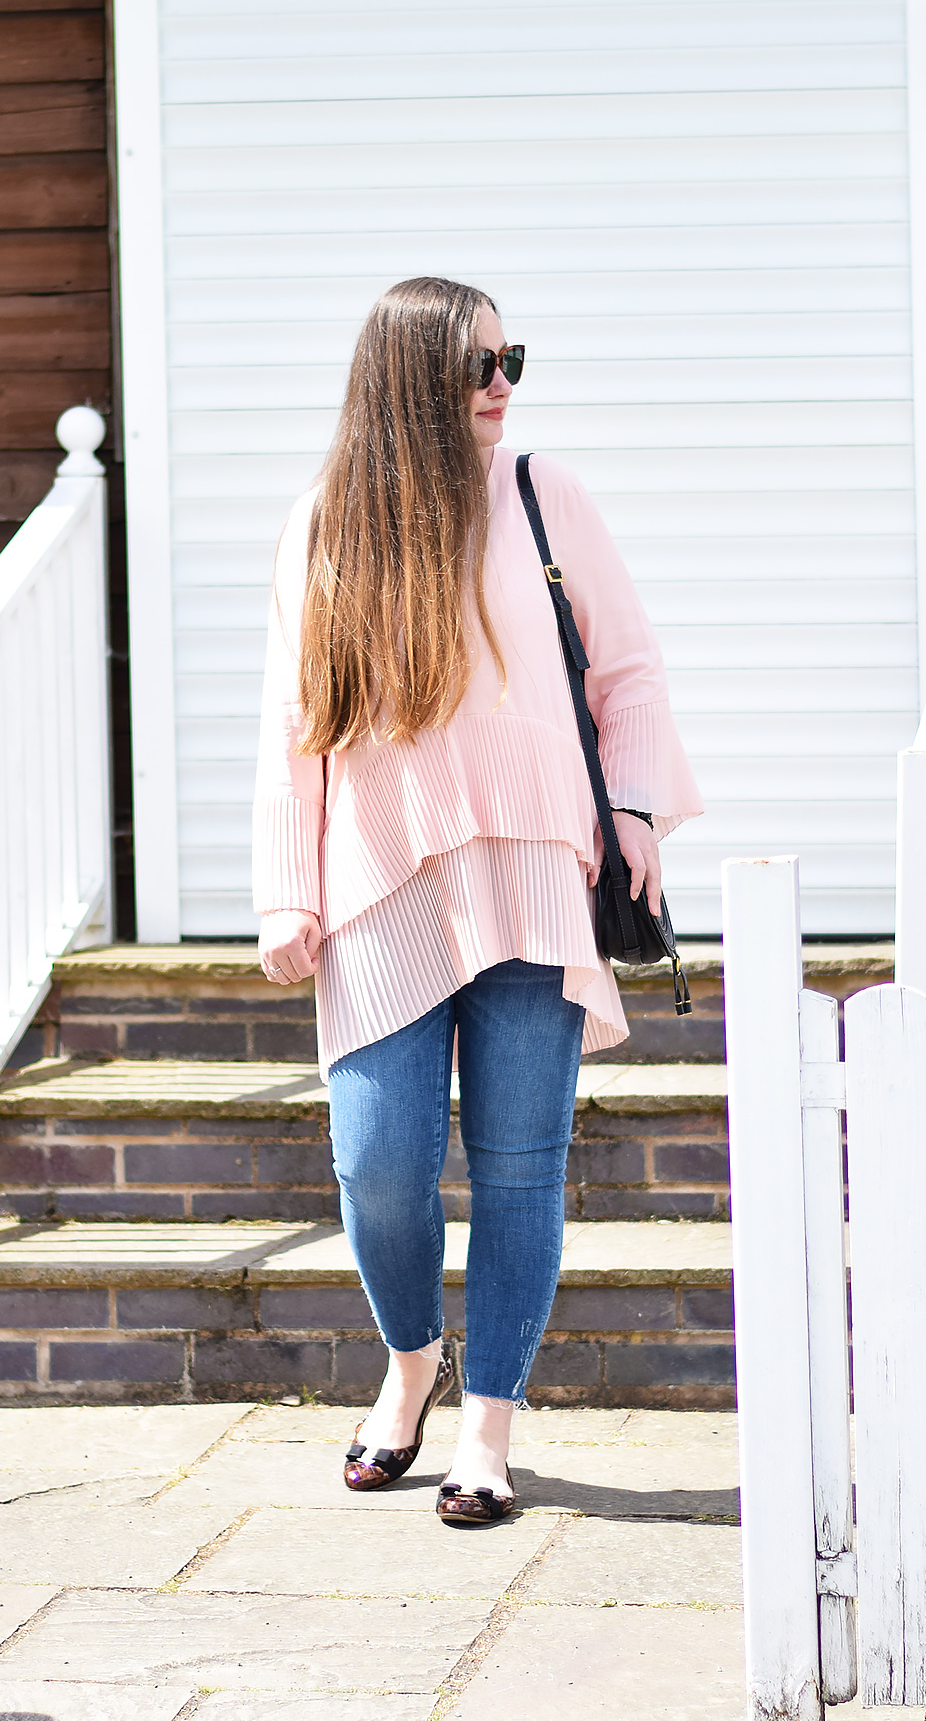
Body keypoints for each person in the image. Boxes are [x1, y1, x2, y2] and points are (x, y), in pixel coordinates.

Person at [253, 276, 701, 1525]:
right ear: (408, 383)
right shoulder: (321, 526)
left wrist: (635, 813)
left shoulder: (546, 496)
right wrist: (289, 888)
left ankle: (487, 1427)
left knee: (519, 1167)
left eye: (513, 357)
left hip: (535, 868)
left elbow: (629, 671)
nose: (502, 382)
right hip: (382, 881)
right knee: (378, 1160)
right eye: (476, 364)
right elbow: (295, 732)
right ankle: (411, 1361)